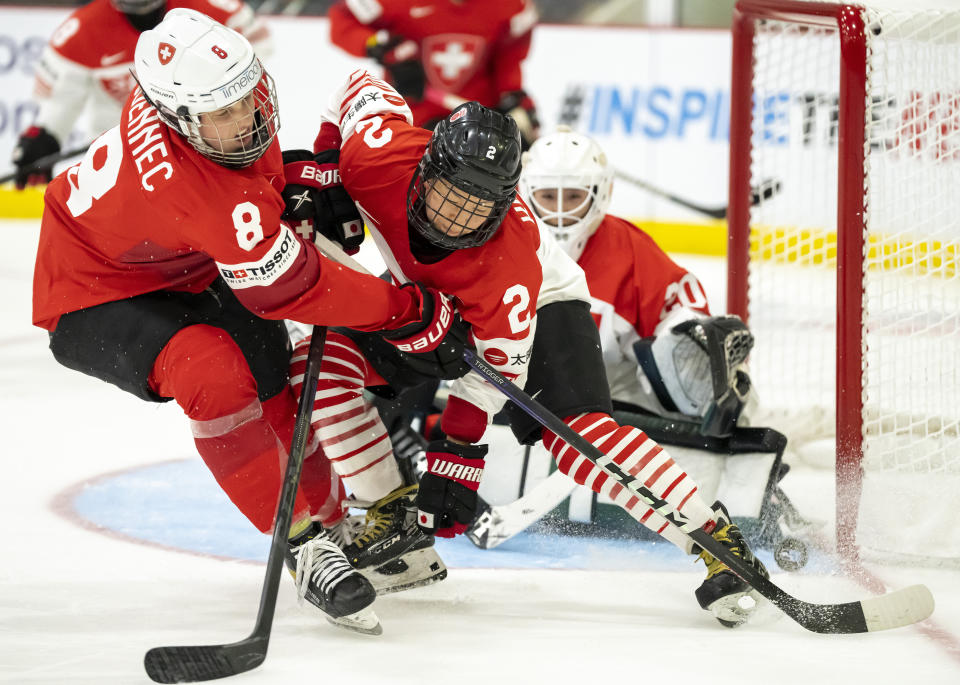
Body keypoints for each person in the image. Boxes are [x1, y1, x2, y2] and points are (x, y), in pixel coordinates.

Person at [31, 9, 466, 636]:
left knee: (274, 379)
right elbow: (294, 287)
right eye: (224, 112)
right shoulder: (193, 189)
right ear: (180, 119)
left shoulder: (199, 112)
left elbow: (253, 189)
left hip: (187, 260)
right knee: (215, 373)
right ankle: (302, 544)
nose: (248, 119)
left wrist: (304, 176)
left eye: (248, 95)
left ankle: (337, 520)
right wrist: (405, 311)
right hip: (92, 292)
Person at [284, 69, 770, 628]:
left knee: (581, 440)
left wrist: (458, 452)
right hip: (421, 301)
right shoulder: (377, 154)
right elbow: (354, 84)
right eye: (448, 197)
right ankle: (393, 521)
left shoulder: (507, 268)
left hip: (545, 302)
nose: (457, 221)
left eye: (478, 209)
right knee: (317, 368)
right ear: (426, 170)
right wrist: (322, 168)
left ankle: (711, 536)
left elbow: (492, 370)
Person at [11, 0, 270, 189]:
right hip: (125, 156)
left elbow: (256, 61)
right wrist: (46, 136)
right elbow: (60, 102)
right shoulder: (81, 32)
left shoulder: (213, 9)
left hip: (208, 148)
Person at [327, 0, 539, 145]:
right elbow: (343, 17)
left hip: (476, 126)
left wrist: (512, 98)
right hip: (409, 122)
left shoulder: (511, 6)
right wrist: (376, 45)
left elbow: (509, 58)